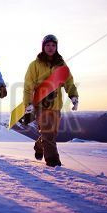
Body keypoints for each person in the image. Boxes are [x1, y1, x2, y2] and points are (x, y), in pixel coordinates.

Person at [23, 35, 79, 167]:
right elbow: (28, 86)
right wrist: (28, 103)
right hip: (41, 105)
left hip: (56, 105)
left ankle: (39, 146)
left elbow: (69, 81)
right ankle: (53, 162)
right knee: (48, 133)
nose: (50, 48)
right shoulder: (34, 65)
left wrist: (73, 96)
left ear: (56, 47)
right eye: (48, 45)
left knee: (51, 134)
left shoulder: (61, 64)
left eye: (53, 45)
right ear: (43, 46)